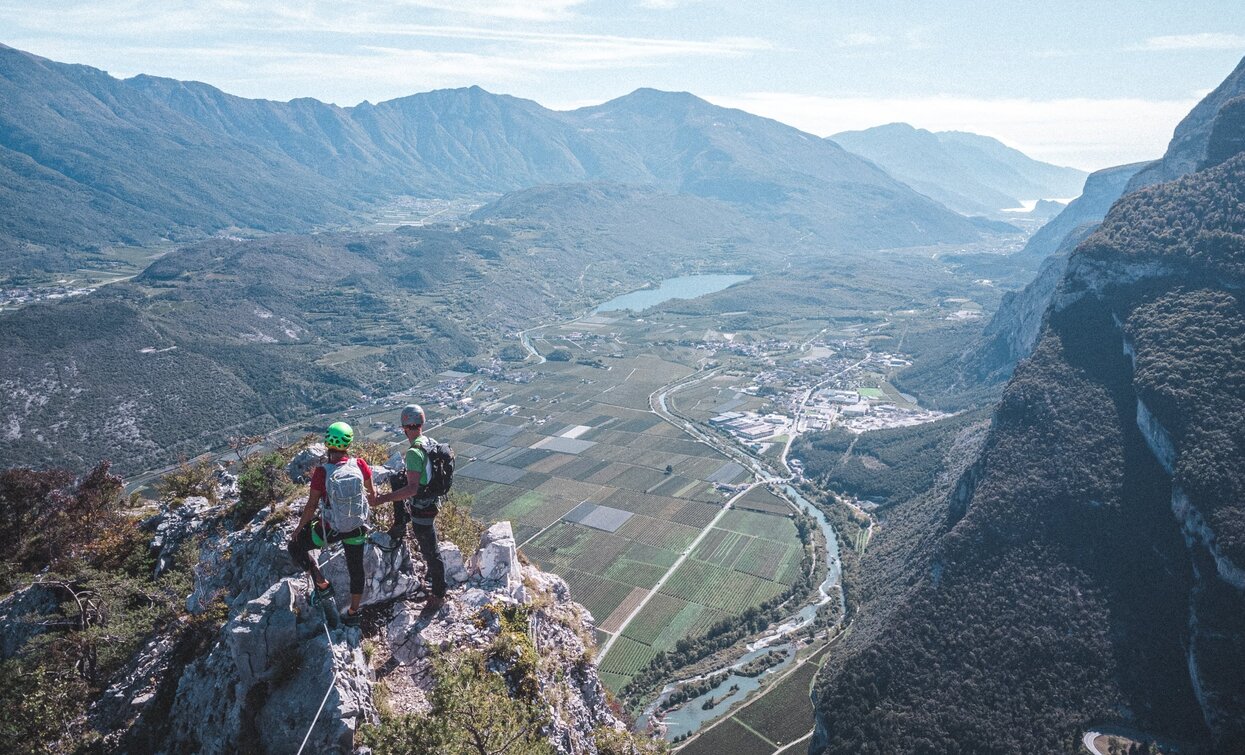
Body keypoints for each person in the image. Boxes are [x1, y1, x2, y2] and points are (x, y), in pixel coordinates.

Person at [288, 421, 376, 627]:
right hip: (356, 528)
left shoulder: (322, 472)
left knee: (295, 546)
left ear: (327, 443)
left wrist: (299, 528)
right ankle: (353, 613)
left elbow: (311, 506)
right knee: (356, 570)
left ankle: (322, 584)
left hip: (331, 530)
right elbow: (372, 494)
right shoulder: (360, 465)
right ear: (349, 442)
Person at [377, 404, 447, 612]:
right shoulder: (429, 442)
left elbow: (413, 489)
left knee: (430, 550)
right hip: (432, 500)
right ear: (422, 423)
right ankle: (400, 525)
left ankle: (439, 592)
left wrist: (383, 499)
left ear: (404, 427)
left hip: (423, 508)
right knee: (398, 478)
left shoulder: (414, 452)